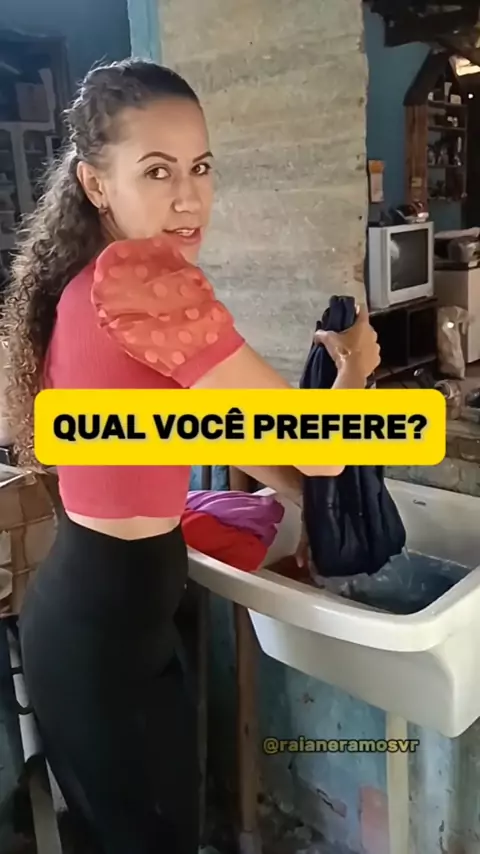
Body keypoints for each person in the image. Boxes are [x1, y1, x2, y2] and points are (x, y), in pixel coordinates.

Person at [1, 59, 380, 854]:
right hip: (106, 635)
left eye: (200, 168)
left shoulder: (89, 280)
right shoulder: (141, 274)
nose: (188, 197)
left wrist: (299, 492)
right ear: (96, 184)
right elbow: (317, 449)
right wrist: (355, 369)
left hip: (99, 619)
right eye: (157, 171)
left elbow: (216, 429)